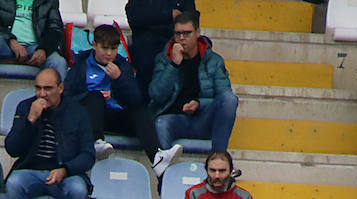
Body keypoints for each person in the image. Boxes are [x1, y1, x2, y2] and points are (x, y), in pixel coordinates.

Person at [66, 24, 180, 176]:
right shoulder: (81, 65)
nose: (109, 53)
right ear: (94, 45)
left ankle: (156, 156)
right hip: (88, 118)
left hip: (114, 114)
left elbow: (135, 99)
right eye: (104, 48)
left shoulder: (122, 65)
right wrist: (92, 94)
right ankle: (96, 141)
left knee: (140, 110)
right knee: (95, 97)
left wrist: (119, 79)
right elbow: (67, 97)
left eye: (113, 49)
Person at [4, 68, 94, 199]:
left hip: (65, 173)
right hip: (31, 170)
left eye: (48, 88)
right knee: (13, 183)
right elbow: (12, 148)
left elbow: (88, 155)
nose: (41, 94)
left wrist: (65, 169)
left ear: (60, 88)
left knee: (78, 190)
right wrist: (30, 120)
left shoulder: (77, 111)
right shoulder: (25, 107)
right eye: (38, 88)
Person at [148, 11, 237, 156]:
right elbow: (156, 96)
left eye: (187, 33)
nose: (182, 39)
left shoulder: (214, 61)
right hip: (175, 119)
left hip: (203, 119)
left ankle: (218, 159)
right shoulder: (164, 59)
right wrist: (173, 65)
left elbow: (224, 97)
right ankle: (163, 173)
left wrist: (199, 103)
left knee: (230, 99)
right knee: (162, 124)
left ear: (197, 33)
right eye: (178, 34)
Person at [0, 0, 66, 93]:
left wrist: (44, 49)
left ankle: (59, 103)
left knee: (59, 62)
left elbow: (56, 29)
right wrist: (10, 40)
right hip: (5, 44)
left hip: (35, 47)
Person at [125, 0, 195, 95]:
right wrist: (169, 14)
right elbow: (133, 16)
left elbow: (191, 17)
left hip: (176, 43)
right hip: (147, 48)